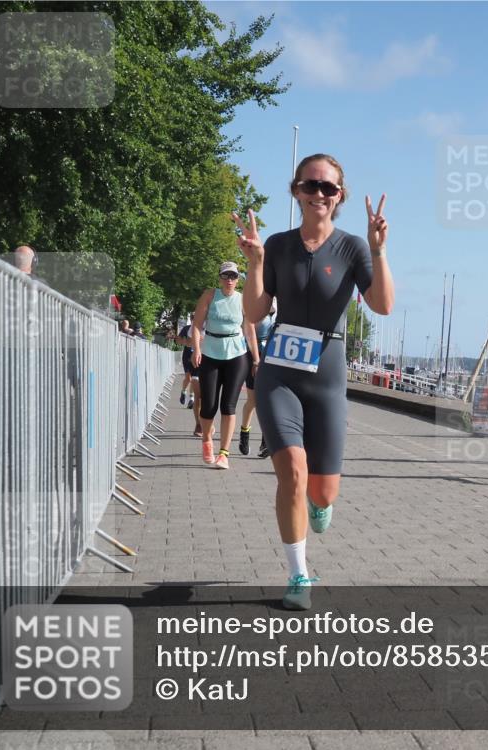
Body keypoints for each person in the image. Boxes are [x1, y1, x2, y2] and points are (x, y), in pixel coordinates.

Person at [233, 153, 394, 610]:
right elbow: (255, 313)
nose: (319, 194)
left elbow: (382, 305)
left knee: (321, 491)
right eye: (311, 185)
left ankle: (320, 506)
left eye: (328, 188)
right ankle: (298, 574)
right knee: (292, 473)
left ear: (339, 195)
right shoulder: (279, 246)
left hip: (327, 372)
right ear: (296, 190)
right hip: (280, 373)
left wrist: (378, 249)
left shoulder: (352, 248)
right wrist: (256, 263)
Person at [190, 261, 259, 470]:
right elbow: (196, 326)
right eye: (226, 276)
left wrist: (256, 359)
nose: (229, 280)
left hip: (237, 354)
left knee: (228, 405)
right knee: (209, 405)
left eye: (233, 276)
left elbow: (249, 331)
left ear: (238, 280)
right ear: (220, 278)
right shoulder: (210, 296)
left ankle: (224, 453)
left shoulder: (242, 300)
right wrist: (196, 349)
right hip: (211, 352)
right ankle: (207, 442)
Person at [239, 304, 277, 456]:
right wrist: (256, 360)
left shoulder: (283, 306)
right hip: (253, 355)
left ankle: (266, 442)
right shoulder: (254, 306)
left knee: (268, 401)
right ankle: (244, 434)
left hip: (273, 355)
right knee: (253, 401)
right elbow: (248, 332)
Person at [177, 320, 203, 436]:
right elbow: (179, 340)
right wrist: (185, 341)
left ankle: (191, 397)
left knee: (195, 380)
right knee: (188, 378)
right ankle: (184, 392)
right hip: (188, 356)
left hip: (202, 357)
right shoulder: (187, 329)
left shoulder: (208, 327)